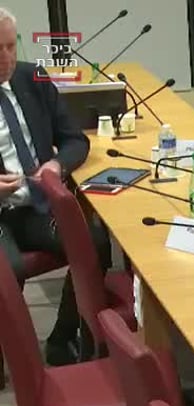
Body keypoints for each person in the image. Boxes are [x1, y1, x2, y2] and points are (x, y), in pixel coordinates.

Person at [0, 8, 109, 366]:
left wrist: (56, 165)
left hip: (34, 207)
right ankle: (18, 362)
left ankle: (62, 340)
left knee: (93, 242)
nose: (6, 58)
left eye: (11, 46)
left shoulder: (33, 78)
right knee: (7, 272)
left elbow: (75, 139)